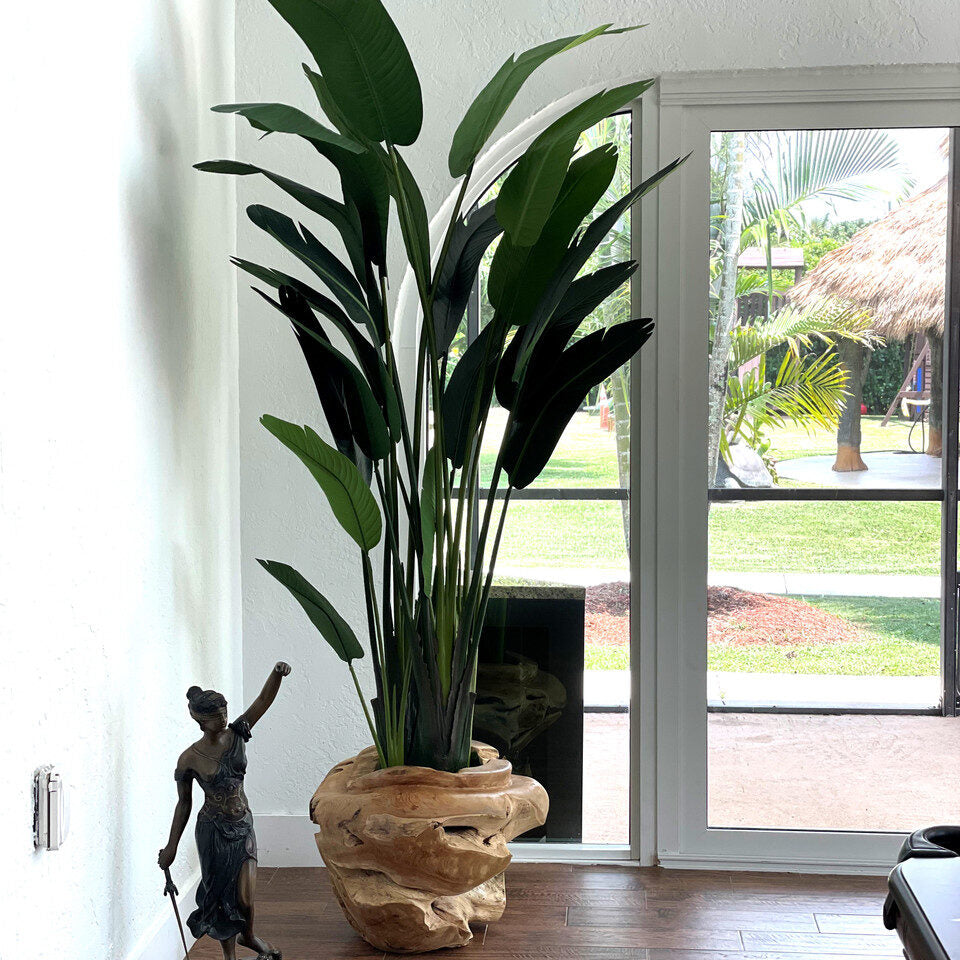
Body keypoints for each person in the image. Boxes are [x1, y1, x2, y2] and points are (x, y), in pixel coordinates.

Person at [159, 662, 292, 959]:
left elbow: (262, 702)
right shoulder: (189, 758)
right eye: (215, 716)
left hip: (243, 824)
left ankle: (248, 936)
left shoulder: (238, 734)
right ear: (200, 721)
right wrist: (171, 846)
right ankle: (229, 955)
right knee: (219, 897)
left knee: (245, 896)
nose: (223, 719)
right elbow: (184, 804)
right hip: (213, 831)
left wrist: (275, 674)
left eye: (225, 713)